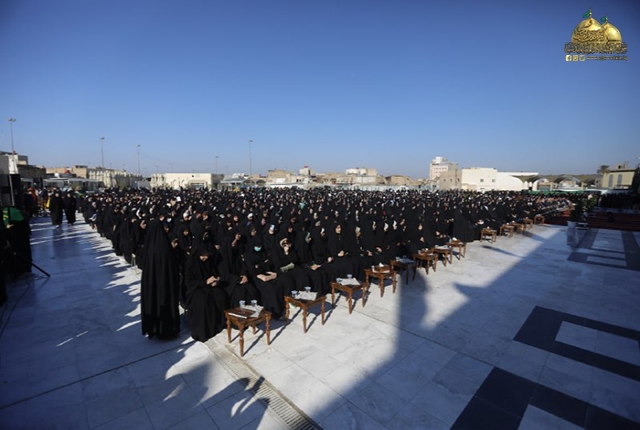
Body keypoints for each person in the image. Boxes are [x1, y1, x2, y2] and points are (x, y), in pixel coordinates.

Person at [140, 219, 181, 339]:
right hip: (166, 284)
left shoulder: (149, 247)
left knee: (154, 302)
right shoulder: (165, 246)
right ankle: (168, 330)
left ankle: (154, 329)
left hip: (152, 284)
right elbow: (172, 267)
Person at [184, 244, 229, 342]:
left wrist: (215, 281)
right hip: (195, 289)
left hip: (209, 286)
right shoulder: (191, 264)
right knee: (203, 301)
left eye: (207, 255)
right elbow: (189, 282)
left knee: (220, 295)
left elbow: (213, 273)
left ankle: (219, 323)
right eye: (203, 256)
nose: (205, 258)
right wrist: (204, 282)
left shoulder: (209, 262)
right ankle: (204, 331)